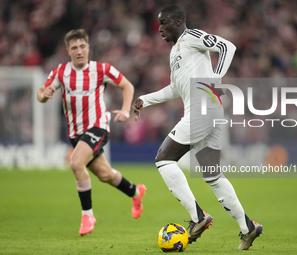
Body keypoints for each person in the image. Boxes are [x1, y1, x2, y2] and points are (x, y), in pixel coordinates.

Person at [133, 5, 262, 250]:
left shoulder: (191, 36)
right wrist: (145, 99)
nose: (159, 28)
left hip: (203, 108)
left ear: (179, 21)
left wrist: (214, 80)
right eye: (158, 24)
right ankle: (248, 228)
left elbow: (227, 47)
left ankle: (198, 217)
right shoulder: (175, 52)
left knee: (163, 159)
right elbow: (174, 88)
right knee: (212, 175)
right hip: (208, 109)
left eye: (164, 23)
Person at [37, 29, 146, 236]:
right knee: (105, 175)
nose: (79, 51)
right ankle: (135, 191)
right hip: (75, 133)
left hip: (98, 126)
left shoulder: (101, 69)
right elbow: (41, 93)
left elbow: (127, 85)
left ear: (88, 47)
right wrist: (45, 93)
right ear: (68, 51)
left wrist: (125, 110)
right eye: (74, 48)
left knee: (76, 163)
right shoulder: (61, 72)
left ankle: (88, 214)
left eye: (82, 46)